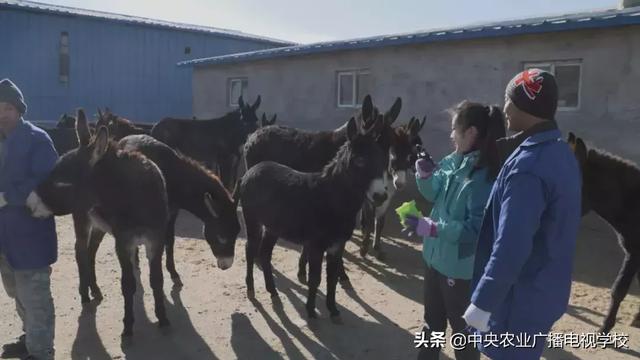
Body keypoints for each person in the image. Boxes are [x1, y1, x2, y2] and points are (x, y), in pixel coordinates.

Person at [462, 69, 582, 359]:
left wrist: (483, 302)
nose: (503, 108)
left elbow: (511, 245)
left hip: (516, 300)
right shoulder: (561, 152)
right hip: (544, 292)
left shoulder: (527, 167)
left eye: (507, 99)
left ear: (521, 104)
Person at [404, 100, 506, 360]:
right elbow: (433, 193)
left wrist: (434, 229)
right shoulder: (453, 160)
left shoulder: (484, 178)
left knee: (462, 336)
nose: (451, 135)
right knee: (432, 325)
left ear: (471, 133)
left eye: (454, 129)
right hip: (434, 260)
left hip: (460, 272)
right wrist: (425, 176)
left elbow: (475, 230)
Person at [0, 79, 58, 360]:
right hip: (4, 238)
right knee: (16, 293)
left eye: (8, 107)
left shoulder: (37, 139)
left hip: (30, 234)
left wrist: (8, 196)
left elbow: (47, 180)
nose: (2, 113)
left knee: (35, 297)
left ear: (19, 109)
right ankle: (30, 340)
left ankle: (42, 351)